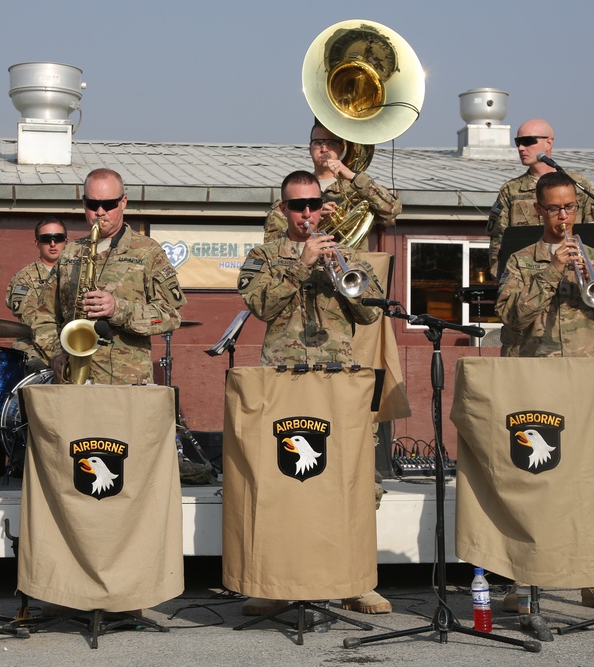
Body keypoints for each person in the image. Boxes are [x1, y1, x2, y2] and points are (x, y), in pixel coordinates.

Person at [237, 169, 391, 615]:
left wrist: (340, 268)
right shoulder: (263, 255)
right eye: (296, 206)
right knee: (281, 483)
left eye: (312, 204)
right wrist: (301, 265)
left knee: (355, 481)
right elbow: (261, 305)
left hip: (337, 379)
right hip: (283, 379)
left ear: (323, 206)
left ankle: (355, 580)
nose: (306, 213)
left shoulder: (347, 252)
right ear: (282, 208)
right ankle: (275, 584)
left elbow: (369, 315)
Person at [495, 171, 594, 612]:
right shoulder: (520, 260)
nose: (563, 217)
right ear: (538, 210)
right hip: (535, 383)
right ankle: (522, 581)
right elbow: (511, 316)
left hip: (590, 383)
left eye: (569, 207)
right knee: (531, 480)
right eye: (554, 208)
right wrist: (554, 272)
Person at [23, 168, 186, 384]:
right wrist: (55, 353)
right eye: (93, 204)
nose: (100, 212)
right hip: (73, 380)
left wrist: (118, 309)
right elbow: (44, 315)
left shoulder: (148, 252)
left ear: (123, 202)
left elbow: (170, 315)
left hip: (127, 383)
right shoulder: (70, 252)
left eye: (108, 204)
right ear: (84, 204)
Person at [487, 119, 594, 357]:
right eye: (518, 142)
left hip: (573, 293)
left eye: (527, 142)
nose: (521, 148)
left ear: (548, 142)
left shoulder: (577, 185)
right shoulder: (510, 190)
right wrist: (507, 282)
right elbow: (497, 246)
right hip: (527, 287)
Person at [263, 119, 401, 243]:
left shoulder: (357, 188)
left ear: (341, 148)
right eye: (318, 143)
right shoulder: (293, 194)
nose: (324, 149)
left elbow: (392, 210)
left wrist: (353, 177)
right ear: (310, 149)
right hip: (305, 268)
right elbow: (270, 242)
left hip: (350, 265)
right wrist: (313, 215)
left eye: (331, 143)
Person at [4, 216, 68, 367]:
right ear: (37, 243)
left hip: (71, 341)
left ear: (66, 242)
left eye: (58, 238)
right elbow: (32, 320)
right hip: (35, 346)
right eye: (46, 239)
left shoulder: (76, 273)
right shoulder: (24, 279)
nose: (52, 244)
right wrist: (59, 353)